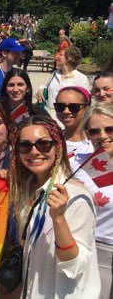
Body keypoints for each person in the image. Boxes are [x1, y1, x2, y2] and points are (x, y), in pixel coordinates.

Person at [8, 116, 99, 299]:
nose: (34, 152)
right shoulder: (24, 189)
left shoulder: (76, 197)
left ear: (57, 147)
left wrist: (58, 218)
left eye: (43, 144)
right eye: (25, 146)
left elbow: (74, 265)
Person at [81, 103, 113, 299]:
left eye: (110, 129)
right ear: (87, 134)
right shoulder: (78, 167)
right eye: (94, 131)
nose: (102, 136)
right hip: (99, 251)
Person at [37, 46, 90, 122]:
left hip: (67, 119)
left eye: (61, 55)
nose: (57, 56)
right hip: (49, 117)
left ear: (69, 58)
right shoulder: (55, 74)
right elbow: (46, 86)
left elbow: (86, 102)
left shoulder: (81, 78)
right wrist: (41, 89)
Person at [53, 86, 94, 171]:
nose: (66, 111)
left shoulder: (96, 142)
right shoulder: (52, 140)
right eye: (60, 106)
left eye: (74, 107)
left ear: (86, 108)